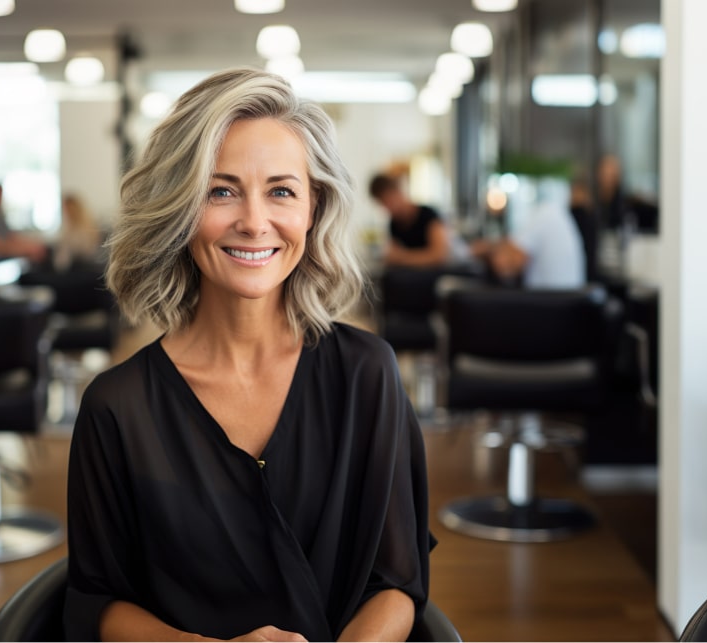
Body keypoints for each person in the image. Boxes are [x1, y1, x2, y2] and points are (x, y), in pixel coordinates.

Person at [64, 67, 434, 642]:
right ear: (180, 209)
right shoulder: (117, 407)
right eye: (221, 190)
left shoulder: (367, 374)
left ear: (314, 209)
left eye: (281, 190)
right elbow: (96, 601)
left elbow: (397, 580)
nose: (254, 222)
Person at [471, 195, 586, 289]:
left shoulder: (544, 214)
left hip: (548, 309)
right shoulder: (557, 215)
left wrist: (486, 250)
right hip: (566, 308)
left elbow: (505, 265)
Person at [368, 172, 450, 267]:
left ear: (398, 192)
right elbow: (392, 255)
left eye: (388, 200)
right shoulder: (394, 223)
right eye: (383, 203)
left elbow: (439, 256)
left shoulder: (429, 215)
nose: (386, 207)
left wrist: (402, 257)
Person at [0, 182, 48, 263]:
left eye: (1, 194)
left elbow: (10, 237)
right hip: (0, 257)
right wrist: (25, 250)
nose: (0, 197)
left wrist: (30, 245)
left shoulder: (0, 216)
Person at [52, 192, 103, 271]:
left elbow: (86, 252)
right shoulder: (68, 228)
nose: (65, 213)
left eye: (67, 209)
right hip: (70, 268)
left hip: (81, 269)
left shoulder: (85, 229)